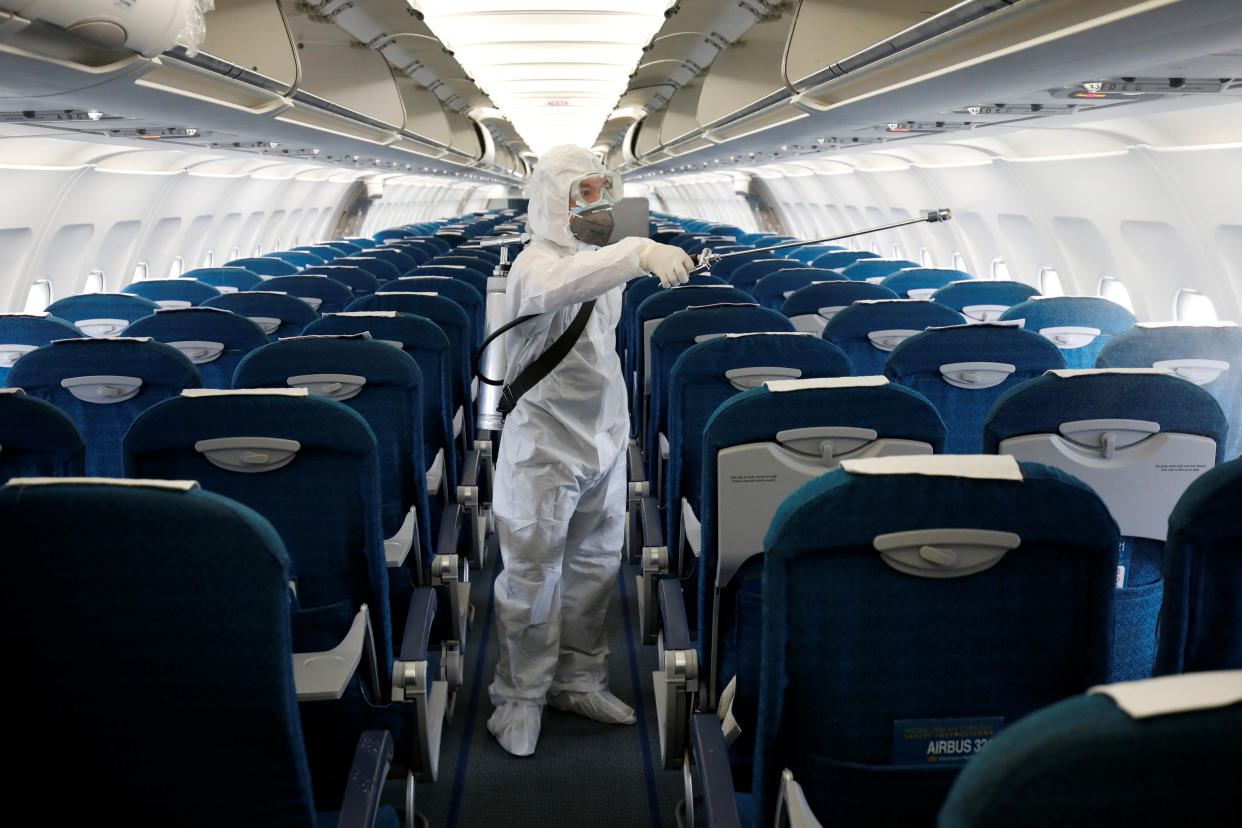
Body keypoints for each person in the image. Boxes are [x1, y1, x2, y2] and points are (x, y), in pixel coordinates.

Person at [487, 144, 694, 756]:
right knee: (532, 574)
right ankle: (519, 697)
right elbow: (555, 291)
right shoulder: (534, 264)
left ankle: (579, 679)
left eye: (604, 193)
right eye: (584, 195)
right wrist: (637, 251)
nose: (599, 207)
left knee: (594, 568)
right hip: (544, 445)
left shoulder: (598, 263)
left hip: (602, 436)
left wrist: (630, 254)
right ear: (553, 200)